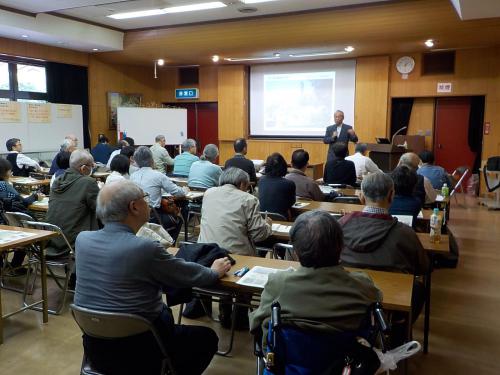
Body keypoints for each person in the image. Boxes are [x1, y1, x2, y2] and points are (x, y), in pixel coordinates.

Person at [74, 180, 232, 375]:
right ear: (134, 207)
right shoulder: (144, 248)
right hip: (141, 350)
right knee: (206, 338)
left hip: (96, 349)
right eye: (145, 198)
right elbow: (187, 275)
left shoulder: (82, 240)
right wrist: (214, 271)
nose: (148, 203)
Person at [250, 210, 381, 346]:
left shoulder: (277, 284)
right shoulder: (362, 285)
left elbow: (257, 324)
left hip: (288, 363)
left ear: (295, 252)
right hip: (347, 362)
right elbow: (378, 301)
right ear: (342, 248)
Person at [339, 172, 429, 325]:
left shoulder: (342, 224)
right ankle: (399, 329)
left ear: (361, 196)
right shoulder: (405, 232)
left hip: (346, 288)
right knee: (418, 288)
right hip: (389, 295)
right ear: (392, 195)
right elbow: (423, 267)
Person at [198, 168, 272, 256]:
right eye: (247, 187)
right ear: (242, 184)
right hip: (234, 255)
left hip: (204, 251)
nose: (247, 190)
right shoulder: (249, 199)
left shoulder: (208, 193)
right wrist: (267, 225)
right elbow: (259, 235)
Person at [46, 150, 100, 258]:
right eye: (92, 165)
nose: (93, 168)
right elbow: (102, 210)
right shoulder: (88, 182)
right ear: (83, 168)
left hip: (52, 238)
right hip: (74, 241)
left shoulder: (57, 180)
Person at [130, 146, 186, 241]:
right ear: (152, 160)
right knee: (178, 219)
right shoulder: (158, 175)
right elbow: (177, 192)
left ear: (136, 161)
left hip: (135, 216)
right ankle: (168, 243)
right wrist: (185, 190)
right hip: (153, 217)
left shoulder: (132, 176)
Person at [0, 158, 44, 274]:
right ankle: (16, 266)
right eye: (9, 171)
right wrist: (35, 197)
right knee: (25, 230)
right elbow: (21, 202)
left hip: (2, 227)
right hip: (6, 227)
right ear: (4, 172)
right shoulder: (4, 186)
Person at [258, 153, 296, 220]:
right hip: (282, 219)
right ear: (284, 166)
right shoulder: (289, 184)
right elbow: (291, 202)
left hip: (263, 219)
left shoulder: (261, 180)